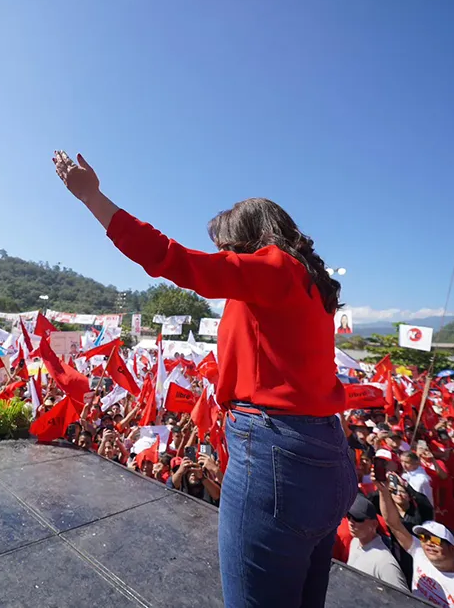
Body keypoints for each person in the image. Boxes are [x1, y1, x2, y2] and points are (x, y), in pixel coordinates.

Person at [54, 151, 355, 608]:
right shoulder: (312, 286)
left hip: (276, 457)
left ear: (249, 239)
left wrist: (92, 198)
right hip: (326, 456)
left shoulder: (274, 268)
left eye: (227, 248)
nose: (224, 258)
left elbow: (171, 259)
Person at [376, 481, 454, 608]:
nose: (429, 543)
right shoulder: (419, 553)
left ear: (453, 550)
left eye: (436, 540)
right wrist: (383, 491)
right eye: (424, 538)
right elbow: (393, 524)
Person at [344, 494, 408, 592]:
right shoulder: (355, 541)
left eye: (358, 519)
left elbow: (403, 600)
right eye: (349, 516)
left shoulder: (385, 563)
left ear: (374, 524)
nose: (351, 523)